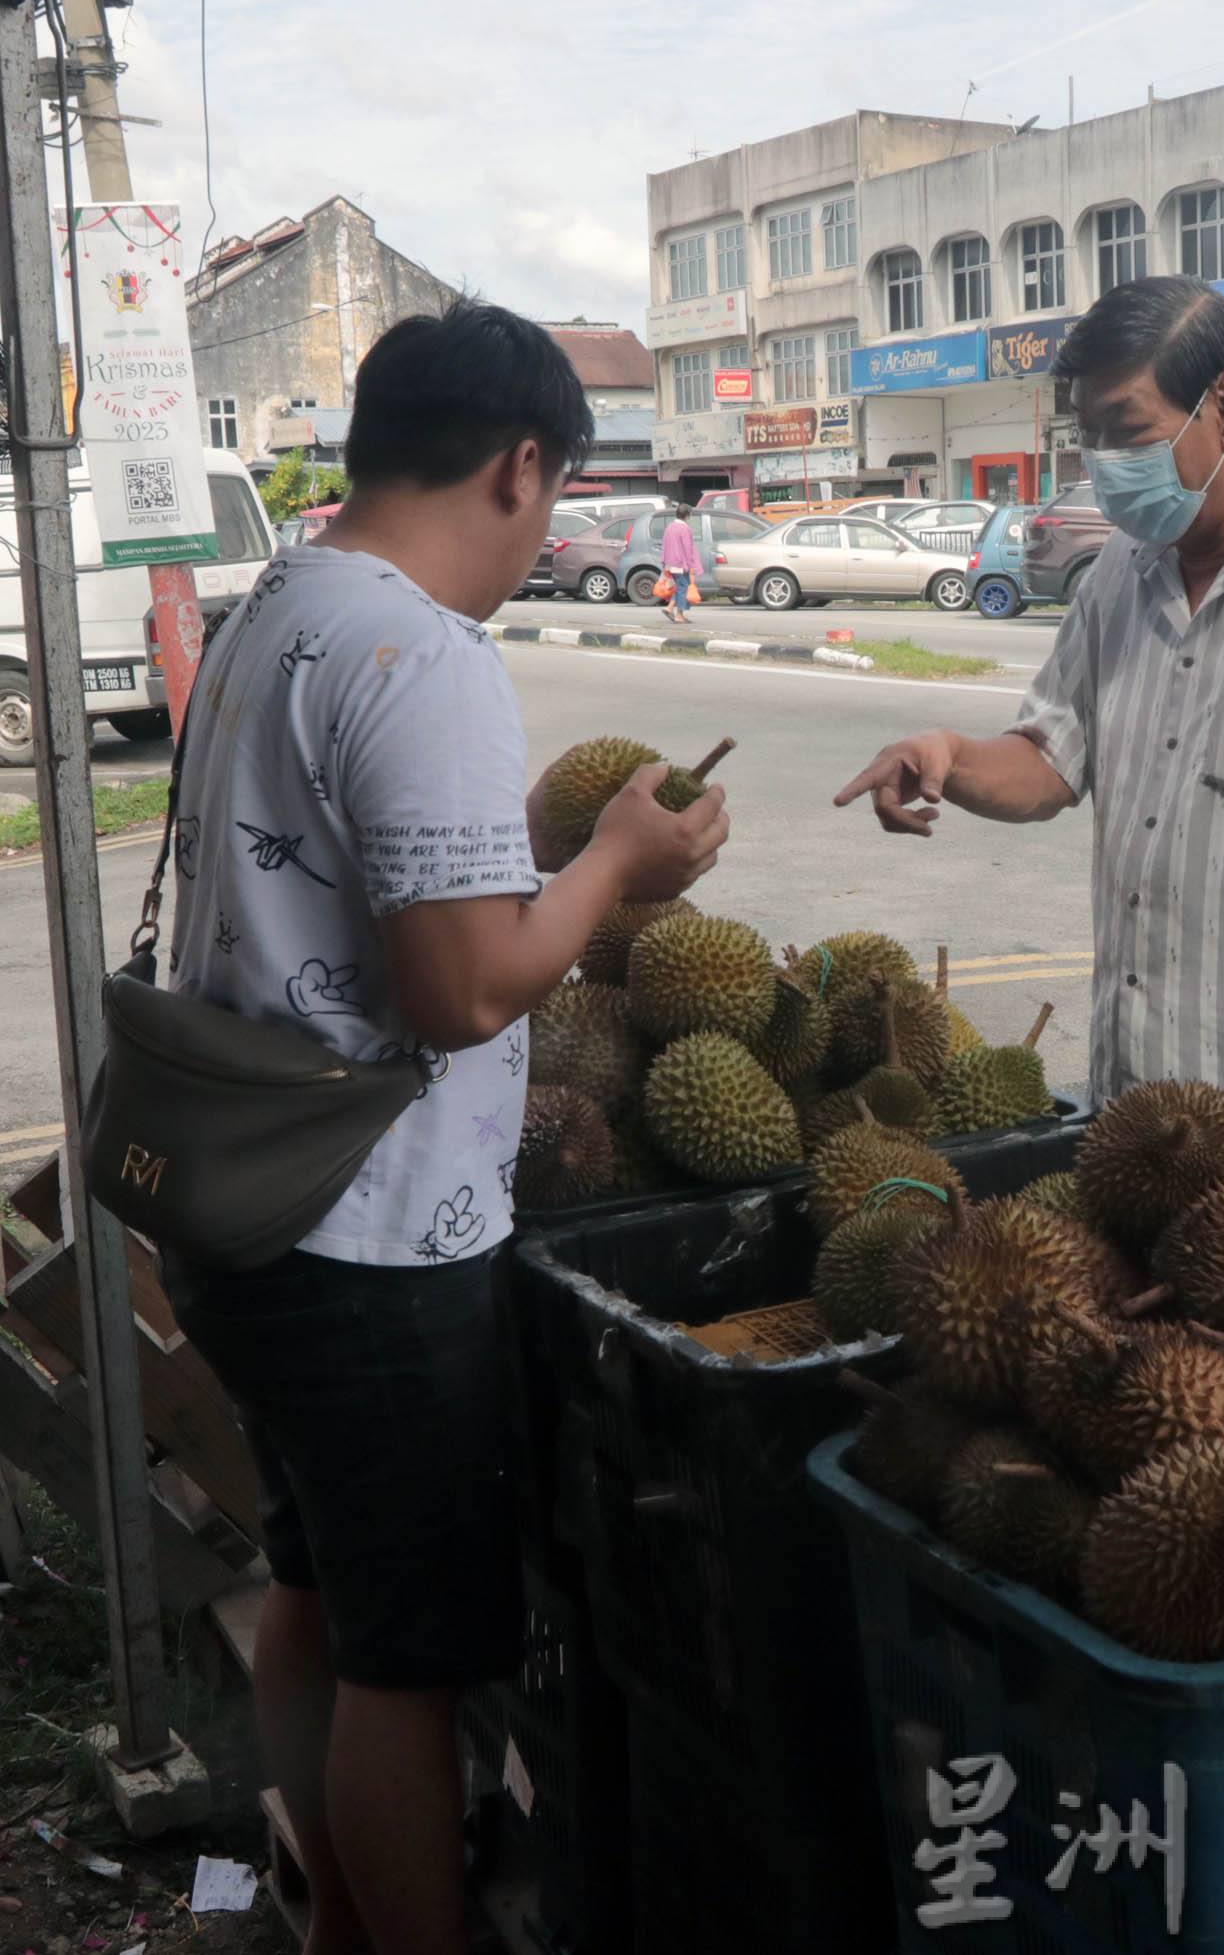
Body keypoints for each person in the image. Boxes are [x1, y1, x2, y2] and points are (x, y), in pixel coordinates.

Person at [161, 303, 729, 1955]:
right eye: (550, 499)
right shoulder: (427, 653)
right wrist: (618, 860)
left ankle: (334, 1915)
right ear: (522, 462)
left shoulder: (278, 603)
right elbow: (463, 991)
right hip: (371, 1245)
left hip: (244, 1210)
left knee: (316, 1595)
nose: (542, 535)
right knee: (408, 1666)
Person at [835, 276, 1224, 1101]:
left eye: (1127, 431)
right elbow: (1051, 761)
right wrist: (948, 757)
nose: (1104, 462)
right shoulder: (1114, 574)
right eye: (1089, 435)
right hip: (1134, 1102)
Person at [659, 504, 700, 622]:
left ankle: (670, 608)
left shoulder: (669, 527)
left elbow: (664, 545)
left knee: (679, 587)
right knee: (683, 588)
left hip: (670, 563)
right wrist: (692, 566)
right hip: (680, 564)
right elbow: (688, 549)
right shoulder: (684, 529)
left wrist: (663, 562)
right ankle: (679, 615)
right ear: (687, 515)